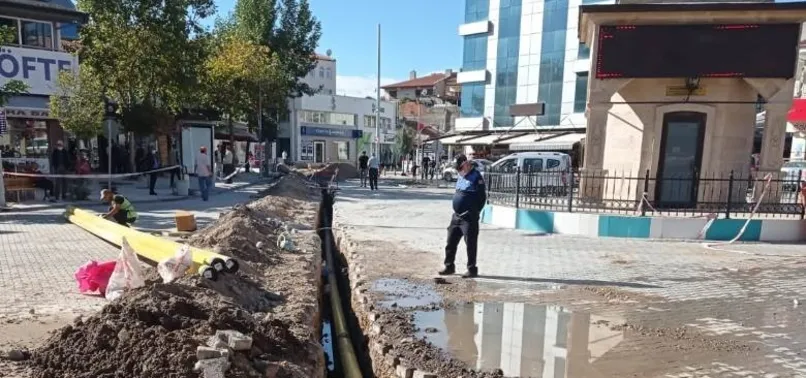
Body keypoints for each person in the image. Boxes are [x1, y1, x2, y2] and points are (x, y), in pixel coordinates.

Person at [439, 154, 486, 278]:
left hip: (469, 218)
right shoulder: (461, 176)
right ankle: (449, 266)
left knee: (470, 244)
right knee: (450, 242)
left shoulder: (476, 177)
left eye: (460, 168)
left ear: (466, 164)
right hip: (457, 216)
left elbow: (482, 198)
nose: (458, 171)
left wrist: (474, 212)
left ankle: (472, 269)